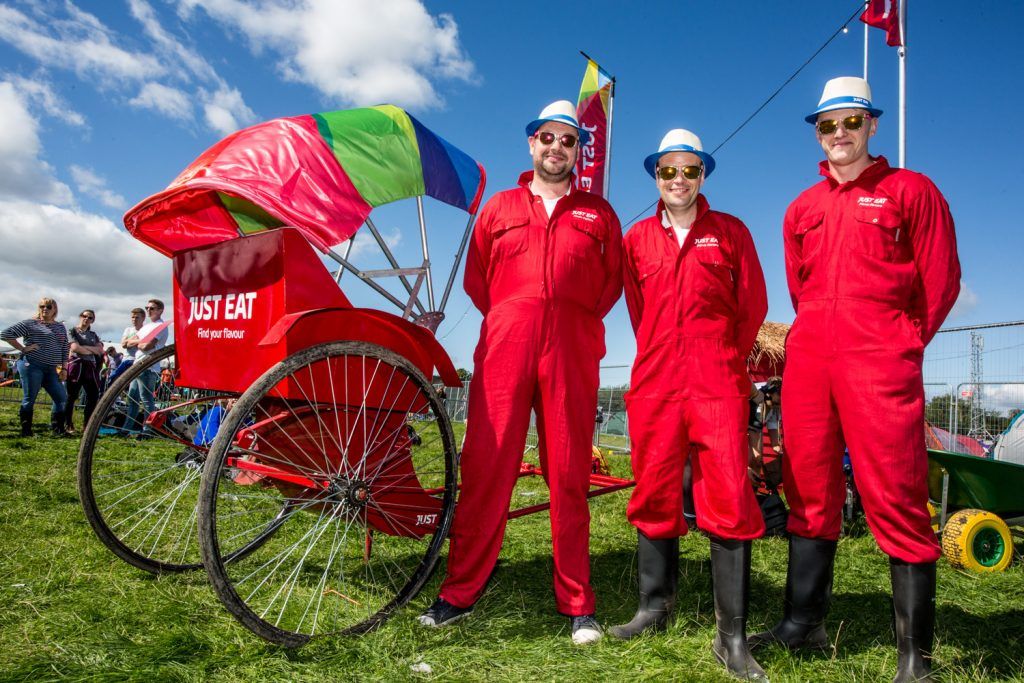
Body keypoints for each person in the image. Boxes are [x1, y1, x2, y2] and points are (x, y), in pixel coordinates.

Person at [749, 77, 960, 683]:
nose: (839, 134)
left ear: (872, 124)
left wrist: (900, 342)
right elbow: (799, 287)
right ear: (816, 132)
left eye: (850, 122)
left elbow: (941, 279)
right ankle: (803, 622)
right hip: (812, 357)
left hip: (880, 357)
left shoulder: (910, 190)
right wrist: (819, 339)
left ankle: (915, 657)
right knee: (807, 482)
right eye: (827, 125)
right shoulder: (801, 208)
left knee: (895, 490)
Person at [418, 101, 623, 644]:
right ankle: (460, 590)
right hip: (507, 340)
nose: (556, 148)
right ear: (531, 144)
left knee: (569, 473)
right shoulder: (500, 207)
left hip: (572, 347)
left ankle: (578, 601)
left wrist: (567, 317)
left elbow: (609, 286)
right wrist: (520, 312)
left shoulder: (598, 214)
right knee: (487, 466)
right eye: (547, 138)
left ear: (579, 151)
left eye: (568, 140)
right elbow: (478, 280)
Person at [613, 129, 768, 680]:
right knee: (654, 487)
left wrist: (719, 354)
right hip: (656, 380)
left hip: (717, 379)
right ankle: (654, 608)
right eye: (667, 171)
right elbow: (637, 308)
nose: (678, 180)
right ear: (656, 175)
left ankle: (732, 637)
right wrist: (663, 350)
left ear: (704, 174)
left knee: (728, 493)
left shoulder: (730, 233)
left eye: (690, 171)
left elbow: (752, 306)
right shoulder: (635, 239)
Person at [1, 297, 69, 436]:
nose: (45, 309)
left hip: (52, 368)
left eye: (49, 307)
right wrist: (23, 348)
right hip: (32, 365)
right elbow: (5, 334)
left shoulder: (60, 326)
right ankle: (26, 431)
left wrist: (64, 368)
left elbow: (64, 348)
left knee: (61, 397)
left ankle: (58, 429)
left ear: (55, 309)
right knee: (29, 398)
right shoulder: (30, 323)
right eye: (42, 306)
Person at [124, 299, 169, 434]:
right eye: (147, 308)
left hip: (148, 367)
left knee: (146, 400)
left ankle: (147, 430)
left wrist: (138, 342)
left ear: (160, 310)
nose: (149, 310)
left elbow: (147, 346)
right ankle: (126, 428)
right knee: (132, 398)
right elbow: (126, 343)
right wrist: (142, 341)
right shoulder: (146, 327)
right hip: (138, 363)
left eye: (152, 308)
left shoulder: (161, 326)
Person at [63, 309, 104, 434]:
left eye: (90, 317)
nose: (86, 319)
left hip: (90, 367)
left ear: (93, 320)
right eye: (84, 316)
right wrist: (91, 350)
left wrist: (84, 348)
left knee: (93, 396)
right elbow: (74, 348)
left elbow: (100, 350)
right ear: (80, 316)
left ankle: (87, 426)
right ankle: (68, 424)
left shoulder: (93, 334)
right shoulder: (72, 331)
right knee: (71, 396)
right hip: (76, 365)